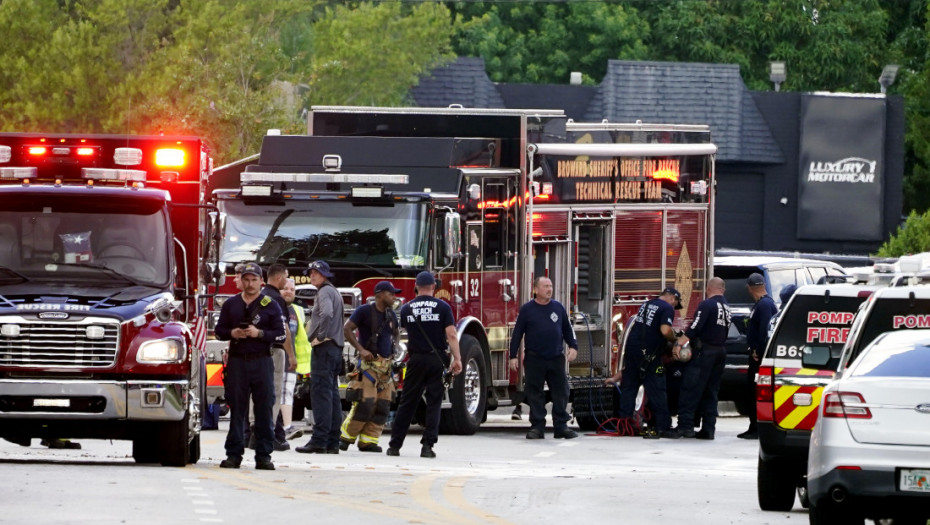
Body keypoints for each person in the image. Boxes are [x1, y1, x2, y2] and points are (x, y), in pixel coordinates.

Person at [214, 262, 286, 470]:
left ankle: (263, 455)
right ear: (241, 280)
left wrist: (260, 333)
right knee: (237, 408)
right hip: (237, 361)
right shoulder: (231, 304)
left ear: (261, 281)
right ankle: (234, 454)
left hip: (262, 360)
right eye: (246, 279)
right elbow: (219, 331)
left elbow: (280, 334)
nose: (250, 283)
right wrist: (232, 333)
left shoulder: (270, 304)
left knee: (264, 408)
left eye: (254, 279)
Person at [386, 271, 462, 458]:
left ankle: (394, 446)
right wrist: (457, 359)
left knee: (408, 402)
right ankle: (427, 446)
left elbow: (399, 333)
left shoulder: (406, 309)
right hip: (437, 359)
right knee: (434, 402)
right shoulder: (443, 307)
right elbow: (451, 334)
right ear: (434, 287)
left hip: (416, 359)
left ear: (416, 288)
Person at [606, 288, 682, 439]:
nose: (674, 307)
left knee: (629, 387)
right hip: (650, 354)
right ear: (673, 298)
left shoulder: (646, 304)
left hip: (632, 350)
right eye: (675, 304)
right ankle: (662, 427)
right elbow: (665, 330)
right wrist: (676, 340)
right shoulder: (667, 308)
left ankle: (625, 425)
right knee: (657, 390)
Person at [508, 276, 579, 440]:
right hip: (535, 359)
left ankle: (561, 426)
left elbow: (567, 330)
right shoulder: (527, 310)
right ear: (536, 290)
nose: (549, 289)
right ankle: (537, 427)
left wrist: (573, 347)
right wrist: (513, 356)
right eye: (545, 286)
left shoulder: (558, 308)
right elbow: (517, 333)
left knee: (561, 392)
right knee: (535, 393)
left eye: (551, 286)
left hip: (555, 357)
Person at [339, 280, 401, 452]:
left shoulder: (391, 314)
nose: (394, 297)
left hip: (385, 367)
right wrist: (361, 349)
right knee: (366, 403)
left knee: (383, 405)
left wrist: (394, 349)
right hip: (368, 366)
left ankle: (369, 441)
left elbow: (396, 333)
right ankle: (345, 437)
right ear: (380, 295)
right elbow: (347, 328)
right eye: (391, 294)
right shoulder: (364, 311)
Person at [296, 261, 346, 454]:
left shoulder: (324, 292)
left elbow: (326, 314)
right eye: (311, 273)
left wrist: (320, 336)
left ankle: (319, 439)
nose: (312, 276)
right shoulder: (334, 292)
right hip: (335, 349)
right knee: (331, 394)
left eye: (316, 273)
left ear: (324, 275)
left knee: (321, 395)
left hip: (325, 349)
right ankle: (332, 441)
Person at [675, 277, 731, 440]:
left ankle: (685, 426)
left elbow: (695, 327)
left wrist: (679, 344)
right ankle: (708, 429)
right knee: (711, 391)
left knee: (690, 388)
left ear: (708, 288)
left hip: (705, 352)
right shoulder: (727, 307)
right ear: (722, 289)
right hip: (720, 351)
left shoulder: (707, 304)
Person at [248, 264, 296, 452]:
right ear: (279, 277)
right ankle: (267, 436)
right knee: (272, 394)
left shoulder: (258, 297)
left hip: (256, 351)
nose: (286, 281)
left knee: (256, 392)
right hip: (274, 351)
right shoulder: (277, 299)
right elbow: (284, 331)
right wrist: (291, 355)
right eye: (286, 276)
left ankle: (254, 432)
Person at [739, 273, 777, 440]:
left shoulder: (764, 305)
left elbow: (765, 330)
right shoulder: (763, 304)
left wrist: (758, 351)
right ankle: (753, 425)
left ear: (749, 287)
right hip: (757, 356)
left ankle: (756, 427)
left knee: (756, 393)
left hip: (759, 358)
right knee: (751, 392)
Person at [281, 278, 307, 440]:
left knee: (288, 393)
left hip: (291, 361)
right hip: (276, 358)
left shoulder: (298, 311)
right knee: (278, 394)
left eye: (292, 289)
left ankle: (287, 426)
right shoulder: (274, 307)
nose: (289, 291)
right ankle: (282, 427)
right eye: (285, 288)